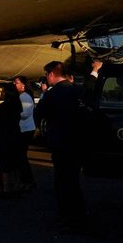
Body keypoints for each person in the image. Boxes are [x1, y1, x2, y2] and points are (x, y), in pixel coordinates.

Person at [32, 60, 91, 229]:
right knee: (73, 181)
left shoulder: (53, 93)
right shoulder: (77, 91)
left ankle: (68, 217)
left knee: (62, 182)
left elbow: (39, 113)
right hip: (77, 143)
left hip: (61, 143)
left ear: (51, 75)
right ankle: (80, 215)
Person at [0, 81, 26, 197]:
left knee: (4, 164)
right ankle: (17, 185)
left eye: (3, 90)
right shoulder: (17, 104)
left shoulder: (3, 107)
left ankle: (7, 189)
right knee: (15, 162)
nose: (1, 92)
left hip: (4, 137)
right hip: (16, 135)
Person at [14, 75, 37, 190]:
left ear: (23, 85)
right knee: (21, 156)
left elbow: (26, 113)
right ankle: (25, 180)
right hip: (26, 128)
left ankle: (28, 180)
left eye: (17, 83)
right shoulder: (24, 96)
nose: (15, 85)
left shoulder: (24, 96)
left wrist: (14, 115)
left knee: (21, 156)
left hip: (25, 129)